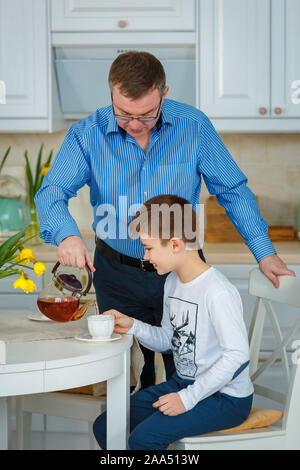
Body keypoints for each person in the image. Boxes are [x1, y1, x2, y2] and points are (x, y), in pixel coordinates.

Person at [34, 50, 294, 389]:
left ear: (164, 93)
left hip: (183, 270)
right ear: (111, 91)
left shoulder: (194, 126)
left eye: (146, 114)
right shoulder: (87, 134)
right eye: (124, 114)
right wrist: (67, 235)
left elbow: (232, 190)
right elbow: (51, 191)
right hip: (116, 272)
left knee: (187, 372)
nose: (135, 124)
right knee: (122, 380)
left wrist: (265, 252)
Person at [93, 195, 254, 450]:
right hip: (184, 384)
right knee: (106, 424)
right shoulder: (173, 282)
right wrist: (133, 325)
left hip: (226, 398)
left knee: (144, 439)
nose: (145, 257)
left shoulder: (217, 291)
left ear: (176, 244)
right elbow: (170, 340)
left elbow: (237, 355)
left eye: (149, 248)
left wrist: (187, 398)